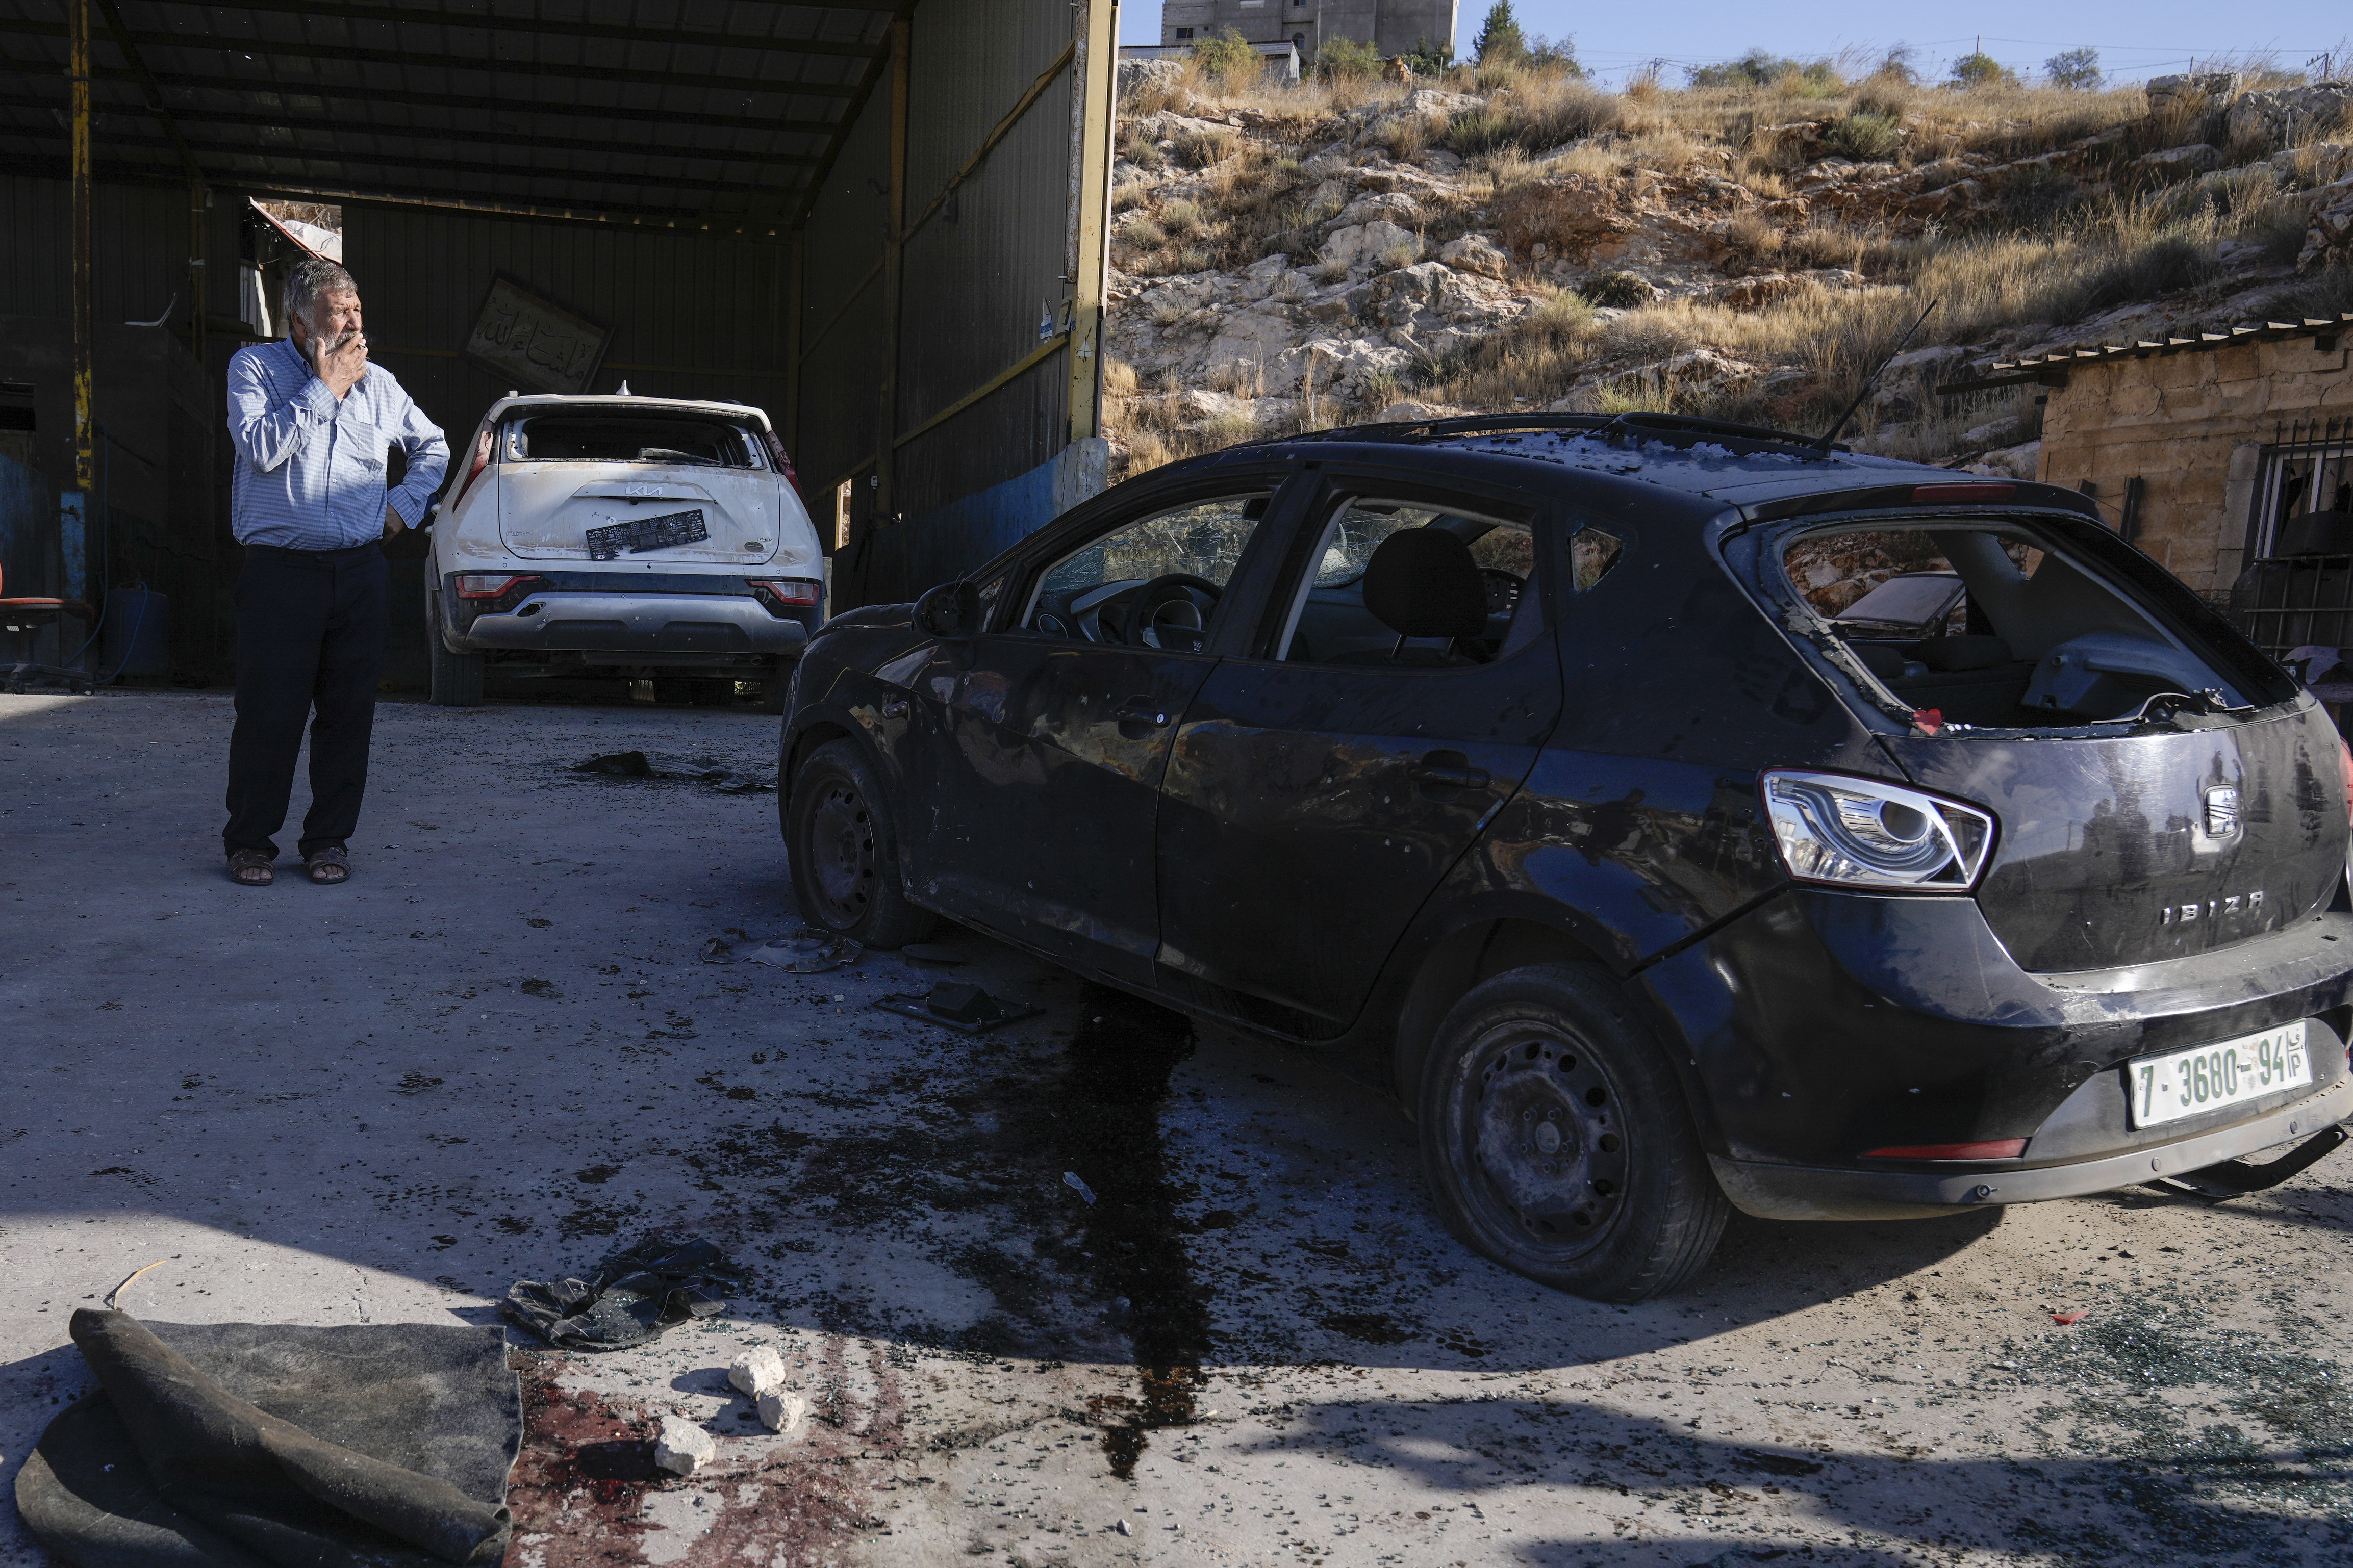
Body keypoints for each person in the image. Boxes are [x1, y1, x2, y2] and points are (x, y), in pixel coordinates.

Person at [221, 255, 448, 887]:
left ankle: (329, 842)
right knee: (270, 712)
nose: (351, 323)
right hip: (280, 574)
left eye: (356, 310)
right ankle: (249, 843)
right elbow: (263, 448)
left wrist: (402, 509)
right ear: (300, 320)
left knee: (349, 713)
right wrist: (324, 388)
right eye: (336, 312)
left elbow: (434, 447)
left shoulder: (381, 385)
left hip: (359, 571)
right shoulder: (255, 369)